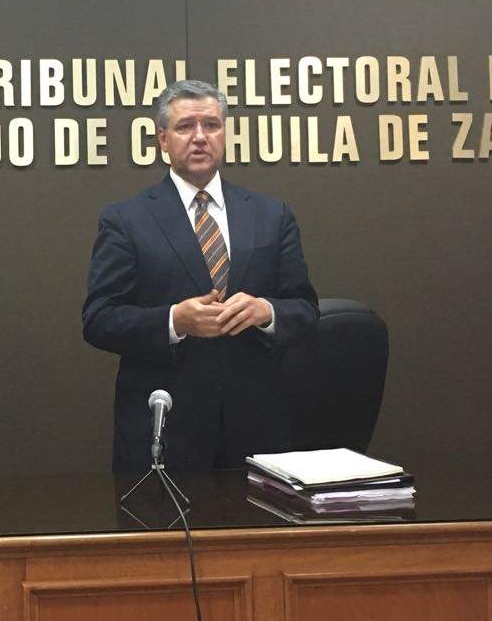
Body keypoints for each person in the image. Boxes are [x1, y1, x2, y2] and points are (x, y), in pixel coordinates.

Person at [83, 79, 318, 472]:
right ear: (162, 139)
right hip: (167, 428)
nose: (199, 137)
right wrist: (174, 321)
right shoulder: (126, 219)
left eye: (211, 125)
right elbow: (99, 319)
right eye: (185, 126)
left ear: (225, 134)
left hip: (258, 426)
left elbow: (305, 309)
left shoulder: (272, 215)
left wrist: (266, 312)